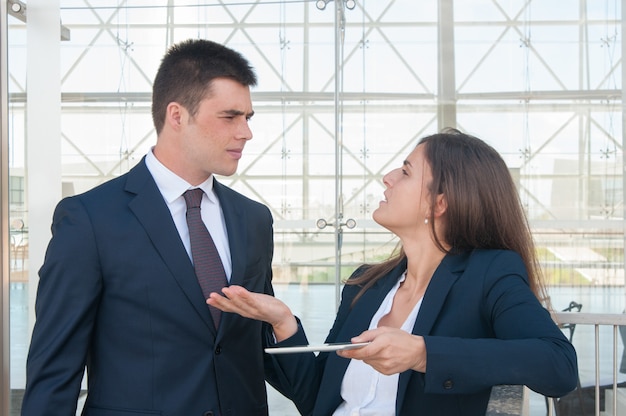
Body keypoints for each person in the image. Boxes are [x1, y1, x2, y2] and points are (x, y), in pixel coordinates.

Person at [207, 128, 579, 416]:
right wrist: (284, 322)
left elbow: (558, 365)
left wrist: (423, 354)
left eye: (405, 172)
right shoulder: (365, 285)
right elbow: (317, 398)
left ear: (440, 203)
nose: (387, 177)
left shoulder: (489, 274)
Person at [21, 39, 282, 416]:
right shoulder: (89, 220)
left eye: (248, 118)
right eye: (230, 116)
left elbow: (257, 343)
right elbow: (54, 372)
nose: (246, 133)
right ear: (176, 116)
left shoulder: (254, 219)